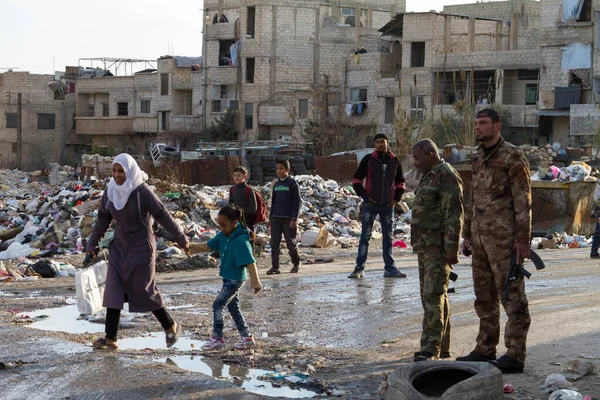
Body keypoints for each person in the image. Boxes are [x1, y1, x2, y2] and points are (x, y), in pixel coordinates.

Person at [87, 153, 189, 351]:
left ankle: (170, 326)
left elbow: (163, 215)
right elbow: (102, 219)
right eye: (114, 171)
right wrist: (92, 245)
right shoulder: (110, 191)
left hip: (142, 247)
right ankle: (110, 338)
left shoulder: (143, 192)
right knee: (113, 291)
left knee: (144, 289)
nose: (117, 175)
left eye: (121, 171)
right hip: (119, 247)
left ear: (130, 171)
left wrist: (181, 238)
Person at [457, 108, 532, 373]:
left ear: (497, 126)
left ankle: (515, 354)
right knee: (484, 296)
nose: (478, 127)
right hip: (479, 239)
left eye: (483, 123)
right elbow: (472, 199)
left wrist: (523, 239)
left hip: (504, 240)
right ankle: (485, 348)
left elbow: (523, 199)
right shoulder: (478, 156)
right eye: (476, 123)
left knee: (512, 297)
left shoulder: (512, 155)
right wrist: (467, 235)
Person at [410, 139, 463, 362]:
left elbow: (453, 214)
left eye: (418, 158)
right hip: (425, 246)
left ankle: (430, 349)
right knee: (435, 295)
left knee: (432, 295)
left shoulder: (446, 175)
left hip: (438, 248)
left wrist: (452, 249)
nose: (415, 162)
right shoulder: (429, 173)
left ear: (430, 154)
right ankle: (443, 345)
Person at [189, 206, 262, 351]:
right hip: (227, 278)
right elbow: (207, 246)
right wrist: (188, 247)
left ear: (235, 221)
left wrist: (255, 282)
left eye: (224, 225)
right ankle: (246, 337)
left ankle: (217, 338)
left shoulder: (241, 240)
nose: (222, 228)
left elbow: (250, 262)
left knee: (218, 305)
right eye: (220, 225)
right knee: (233, 307)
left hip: (235, 280)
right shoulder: (223, 236)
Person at [349, 133, 407, 278]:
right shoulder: (368, 160)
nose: (380, 144)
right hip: (371, 205)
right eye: (377, 142)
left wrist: (395, 200)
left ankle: (390, 269)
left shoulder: (395, 160)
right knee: (365, 237)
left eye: (382, 142)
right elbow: (356, 181)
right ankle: (359, 269)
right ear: (375, 144)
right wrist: (365, 198)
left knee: (388, 238)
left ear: (388, 143)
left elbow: (401, 183)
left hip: (388, 206)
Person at [266, 160, 302, 275]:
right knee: (274, 243)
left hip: (288, 219)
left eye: (281, 168)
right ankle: (275, 267)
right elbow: (274, 201)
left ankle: (296, 263)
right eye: (277, 168)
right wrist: (270, 218)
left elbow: (297, 202)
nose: (279, 171)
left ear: (287, 169)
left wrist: (294, 218)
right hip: (276, 217)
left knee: (290, 243)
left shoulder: (292, 184)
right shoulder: (276, 184)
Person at [228, 166, 257, 233]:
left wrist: (240, 210)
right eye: (234, 175)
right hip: (235, 220)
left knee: (248, 240)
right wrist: (230, 208)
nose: (236, 177)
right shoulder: (232, 189)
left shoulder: (249, 190)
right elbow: (231, 201)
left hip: (248, 221)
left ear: (245, 176)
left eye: (239, 175)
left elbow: (253, 208)